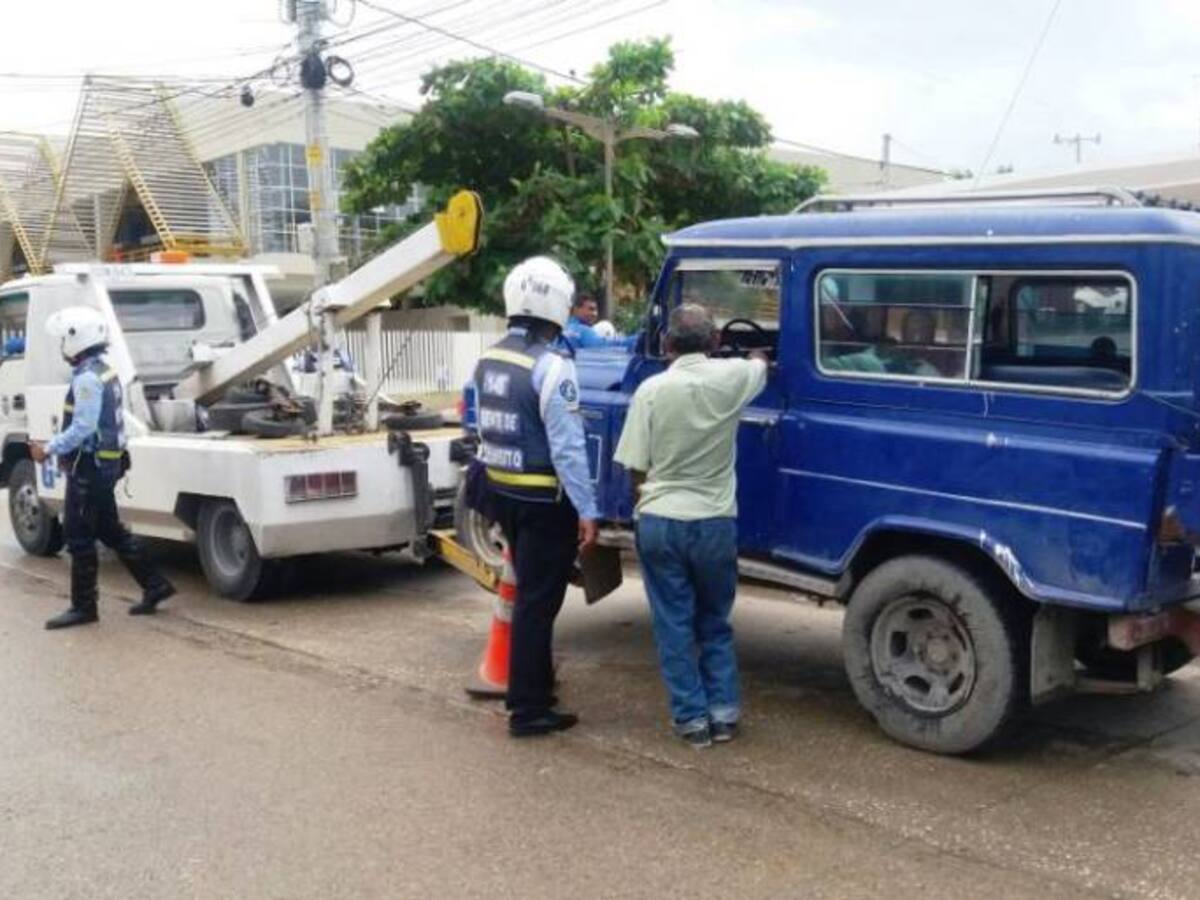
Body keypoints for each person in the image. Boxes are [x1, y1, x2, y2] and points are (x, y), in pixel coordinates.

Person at [614, 304, 767, 748]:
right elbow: (761, 365)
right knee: (715, 621)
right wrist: (755, 355)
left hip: (662, 520)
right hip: (716, 523)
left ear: (665, 346)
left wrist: (649, 502)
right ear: (716, 342)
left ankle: (692, 722)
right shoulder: (735, 377)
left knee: (673, 625)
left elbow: (635, 466)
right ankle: (723, 714)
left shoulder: (651, 391)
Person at [473, 256, 600, 737]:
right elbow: (568, 448)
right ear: (558, 306)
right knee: (537, 604)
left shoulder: (490, 357)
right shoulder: (553, 366)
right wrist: (587, 509)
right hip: (544, 502)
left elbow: (483, 425)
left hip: (503, 491)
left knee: (530, 596)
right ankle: (527, 709)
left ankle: (536, 687)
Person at [31, 307, 175, 630]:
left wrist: (47, 448)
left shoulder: (86, 380)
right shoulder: (105, 372)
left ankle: (84, 607)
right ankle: (155, 585)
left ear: (76, 340)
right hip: (104, 465)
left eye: (63, 341)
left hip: (90, 469)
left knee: (78, 536)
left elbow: (82, 428)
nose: (61, 349)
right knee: (110, 530)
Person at [563, 292, 636, 351]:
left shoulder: (562, 328)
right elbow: (604, 346)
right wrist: (636, 339)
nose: (594, 314)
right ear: (577, 309)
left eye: (596, 310)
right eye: (591, 309)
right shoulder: (583, 331)